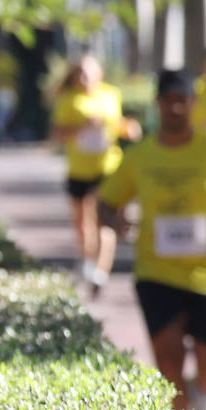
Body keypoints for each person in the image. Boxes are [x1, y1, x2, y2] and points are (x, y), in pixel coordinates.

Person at [97, 69, 206, 410]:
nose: (174, 109)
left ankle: (196, 397)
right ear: (158, 104)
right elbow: (104, 204)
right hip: (157, 272)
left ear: (193, 104)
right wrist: (116, 222)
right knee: (168, 363)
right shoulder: (141, 156)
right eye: (168, 101)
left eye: (182, 101)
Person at [50, 54, 141, 296]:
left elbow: (117, 124)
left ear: (99, 74)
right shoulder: (68, 100)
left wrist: (128, 128)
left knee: (104, 222)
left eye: (89, 73)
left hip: (107, 169)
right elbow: (58, 134)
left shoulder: (110, 95)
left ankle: (101, 271)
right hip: (79, 170)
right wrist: (83, 127)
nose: (85, 78)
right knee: (82, 223)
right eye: (81, 73)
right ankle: (88, 260)